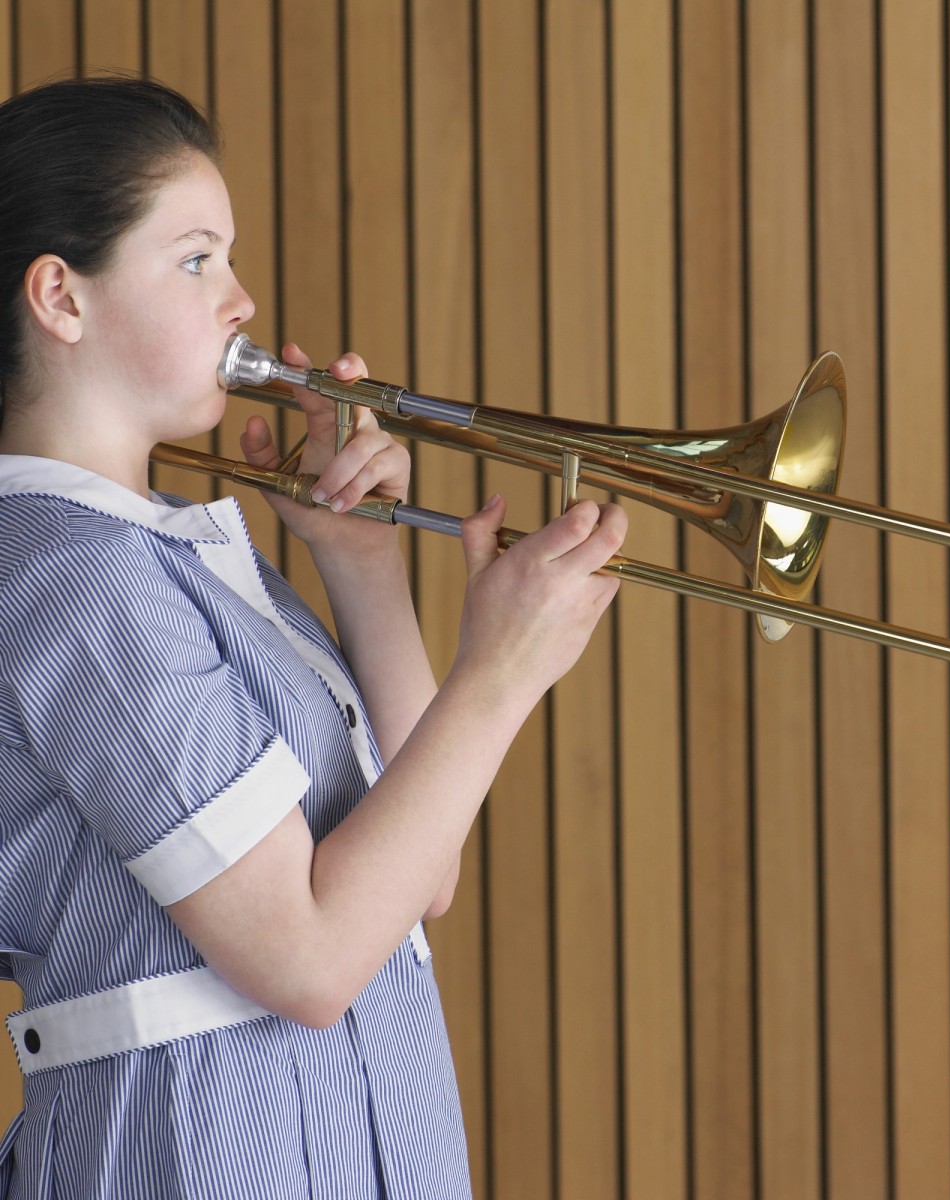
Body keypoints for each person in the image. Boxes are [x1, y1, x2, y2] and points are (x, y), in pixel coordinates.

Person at [0, 75, 627, 1197]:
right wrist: (501, 671)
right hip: (190, 1155)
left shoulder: (180, 557)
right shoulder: (74, 578)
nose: (240, 299)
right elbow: (307, 958)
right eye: (196, 259)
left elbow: (418, 876)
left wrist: (363, 570)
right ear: (61, 296)